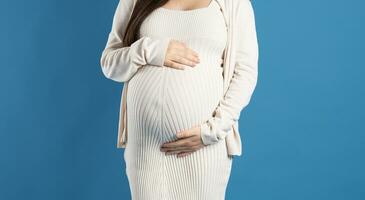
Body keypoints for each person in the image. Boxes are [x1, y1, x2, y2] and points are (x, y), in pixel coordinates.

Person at [100, 0, 259, 199]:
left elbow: (245, 73)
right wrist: (149, 49)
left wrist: (212, 130)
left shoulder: (234, 3)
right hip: (144, 147)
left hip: (201, 144)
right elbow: (109, 63)